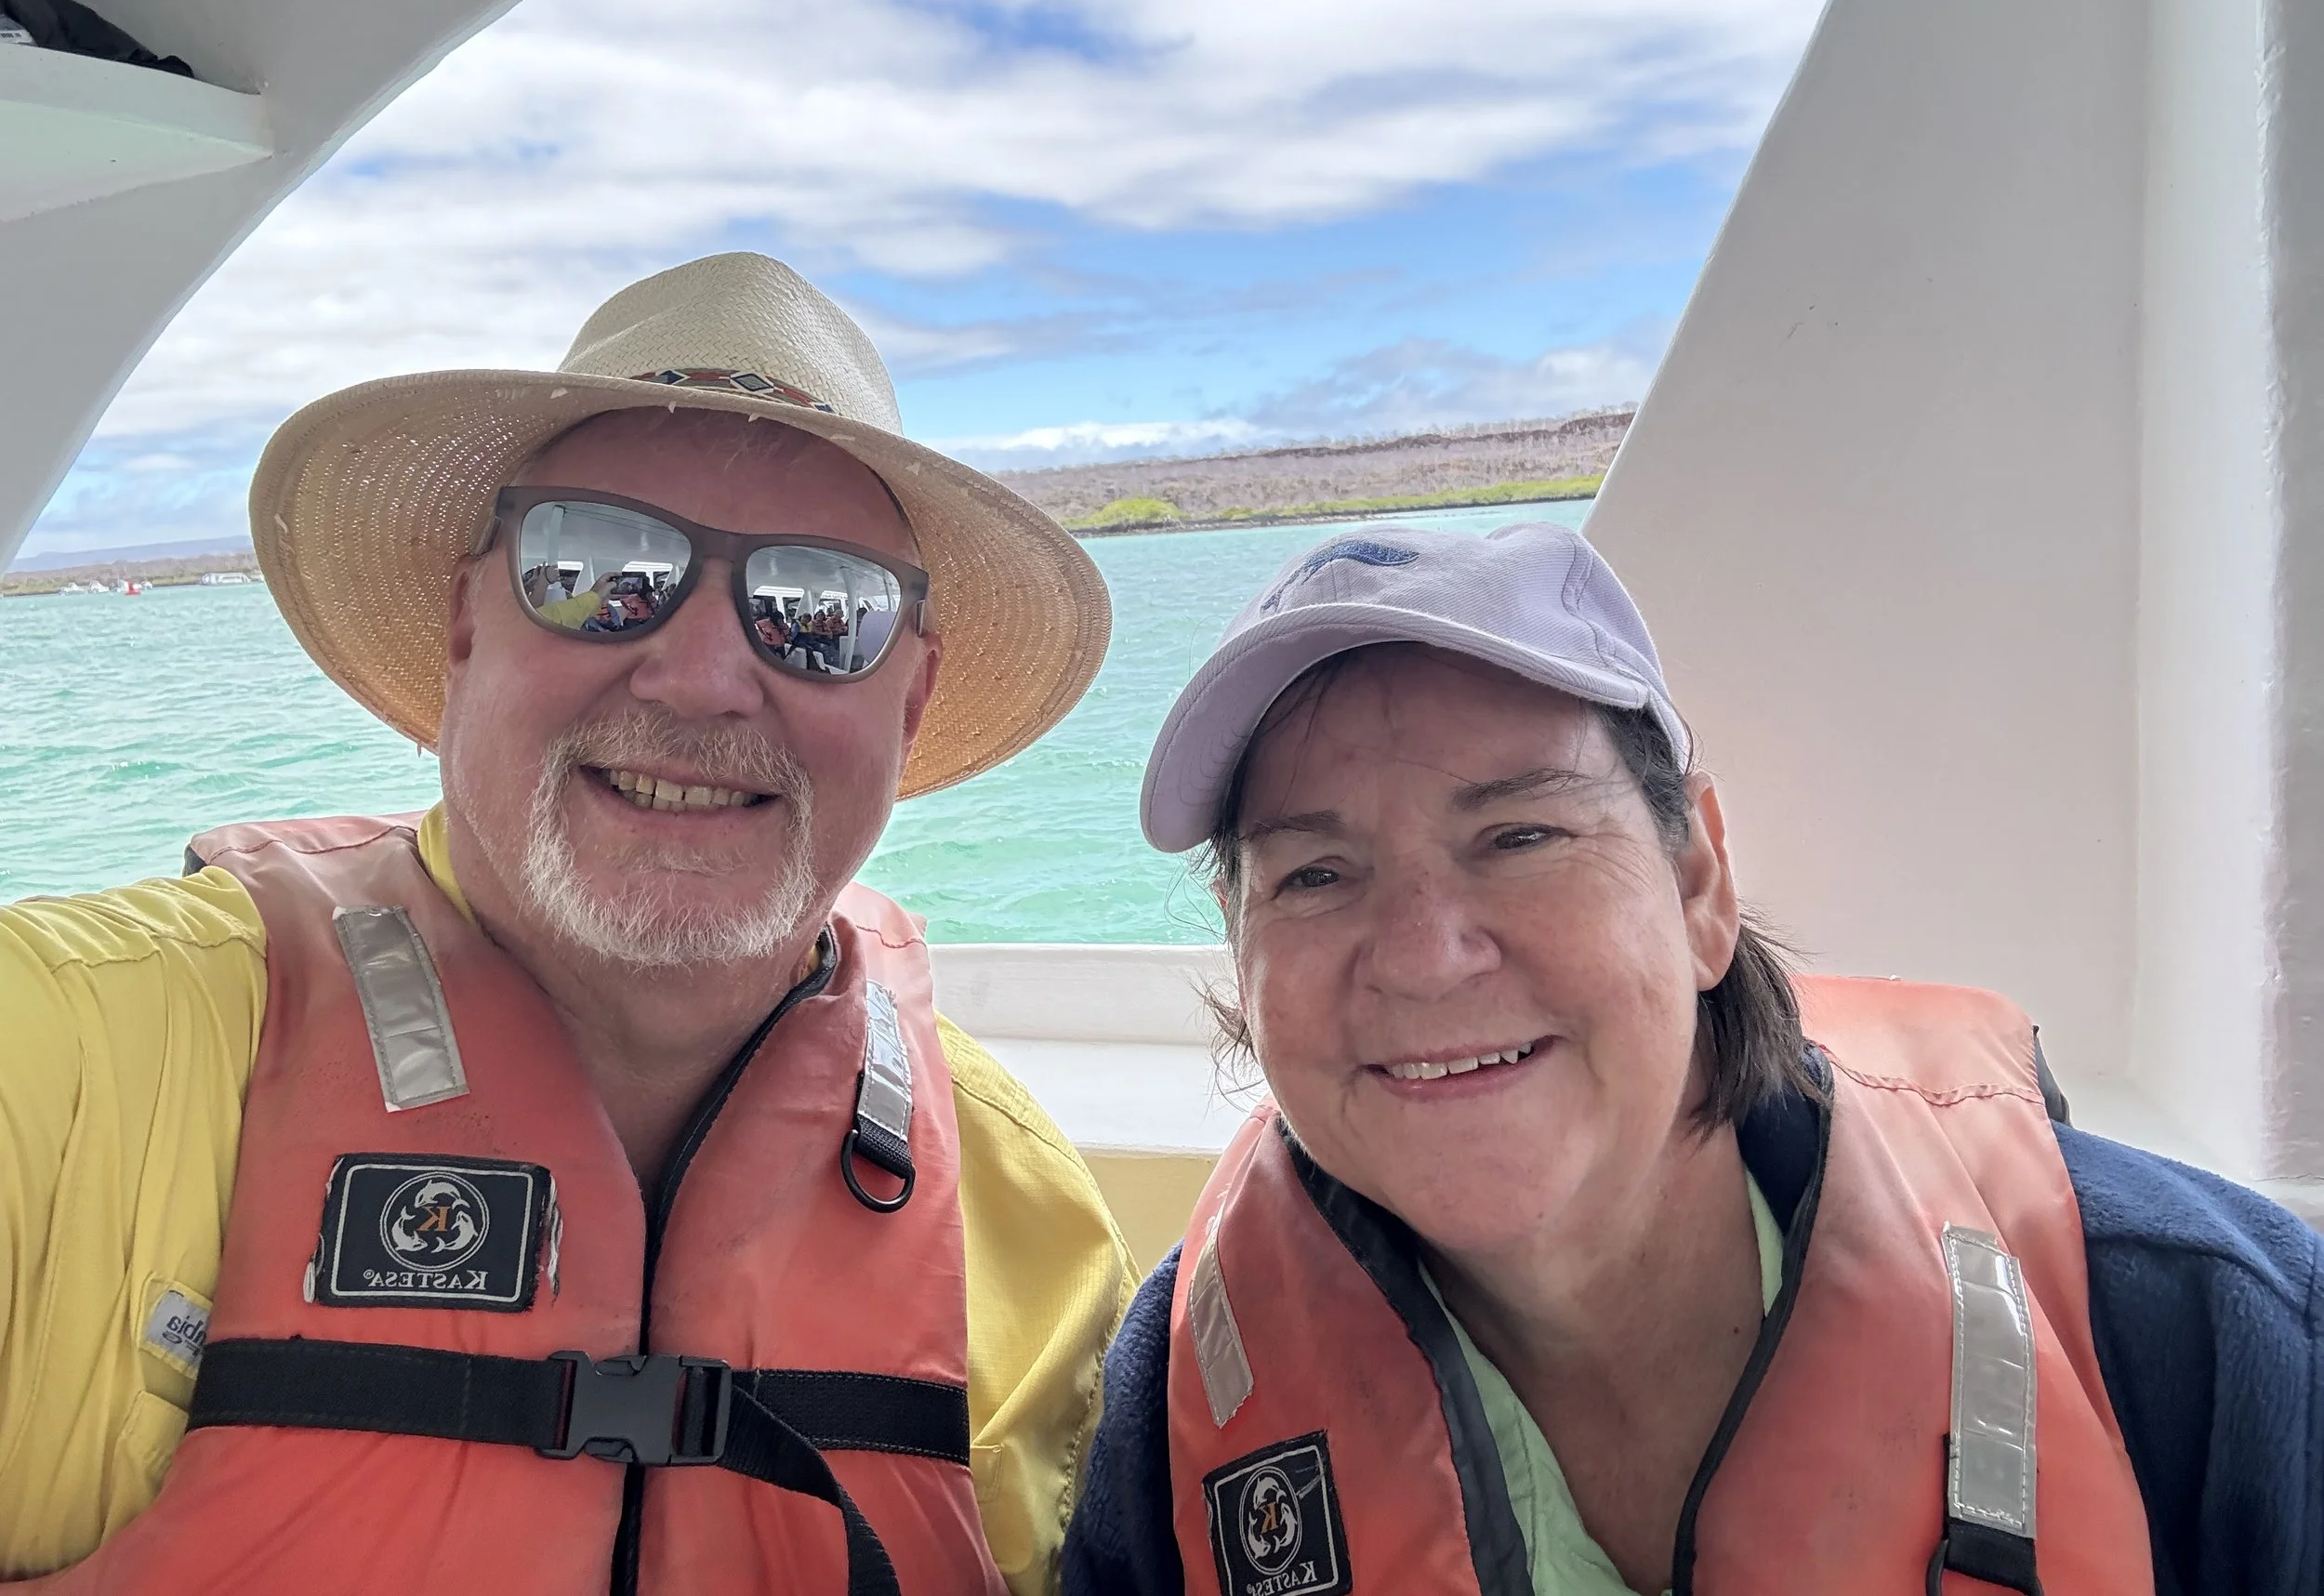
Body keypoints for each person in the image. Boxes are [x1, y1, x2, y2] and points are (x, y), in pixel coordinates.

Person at [0, 252, 1128, 1595]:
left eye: (818, 610)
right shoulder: (64, 1060)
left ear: (913, 698)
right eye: (596, 568)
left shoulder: (1034, 1234)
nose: (703, 678)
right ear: (464, 622)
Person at [1063, 521, 2324, 1596]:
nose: (1425, 956)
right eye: (1315, 874)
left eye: (1520, 835)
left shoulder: (2206, 1334)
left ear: (1697, 880)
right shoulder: (1177, 1395)